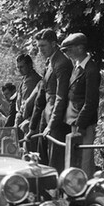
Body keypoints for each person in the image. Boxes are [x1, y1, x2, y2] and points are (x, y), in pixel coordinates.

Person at [28, 29, 73, 170]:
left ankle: (58, 191)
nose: (40, 50)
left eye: (43, 46)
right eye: (38, 46)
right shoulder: (50, 61)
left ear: (54, 44)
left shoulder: (62, 63)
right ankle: (43, 190)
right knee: (41, 158)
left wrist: (51, 124)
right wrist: (32, 126)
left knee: (56, 162)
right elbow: (41, 95)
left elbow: (61, 97)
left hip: (57, 119)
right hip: (45, 116)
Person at [60, 33, 101, 176]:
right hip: (75, 120)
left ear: (81, 48)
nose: (67, 53)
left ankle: (87, 192)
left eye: (69, 49)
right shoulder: (77, 67)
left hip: (84, 123)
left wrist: (80, 124)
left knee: (84, 161)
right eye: (65, 50)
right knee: (76, 160)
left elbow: (91, 102)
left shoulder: (91, 70)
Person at [14, 53, 42, 137]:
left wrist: (20, 118)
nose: (19, 70)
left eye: (21, 67)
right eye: (18, 67)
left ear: (29, 65)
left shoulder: (31, 80)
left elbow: (27, 105)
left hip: (29, 121)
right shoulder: (25, 78)